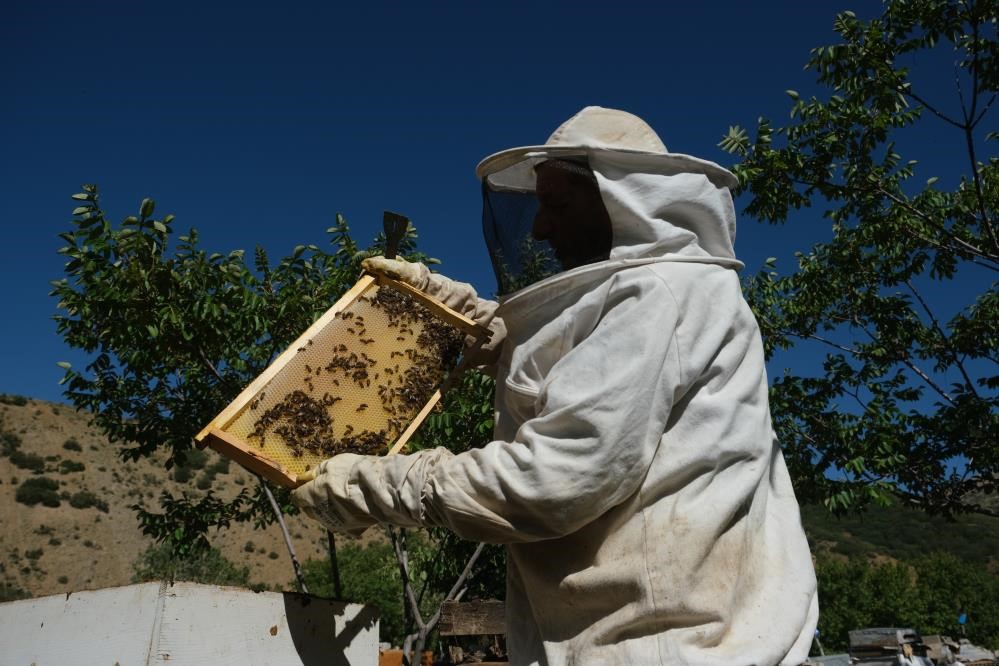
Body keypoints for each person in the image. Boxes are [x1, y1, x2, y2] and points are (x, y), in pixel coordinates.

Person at [293, 106, 819, 665]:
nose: (540, 228)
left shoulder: (658, 295)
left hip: (662, 647)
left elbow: (554, 479)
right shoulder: (656, 296)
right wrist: (439, 302)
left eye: (555, 205)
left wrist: (370, 486)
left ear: (620, 203)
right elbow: (553, 346)